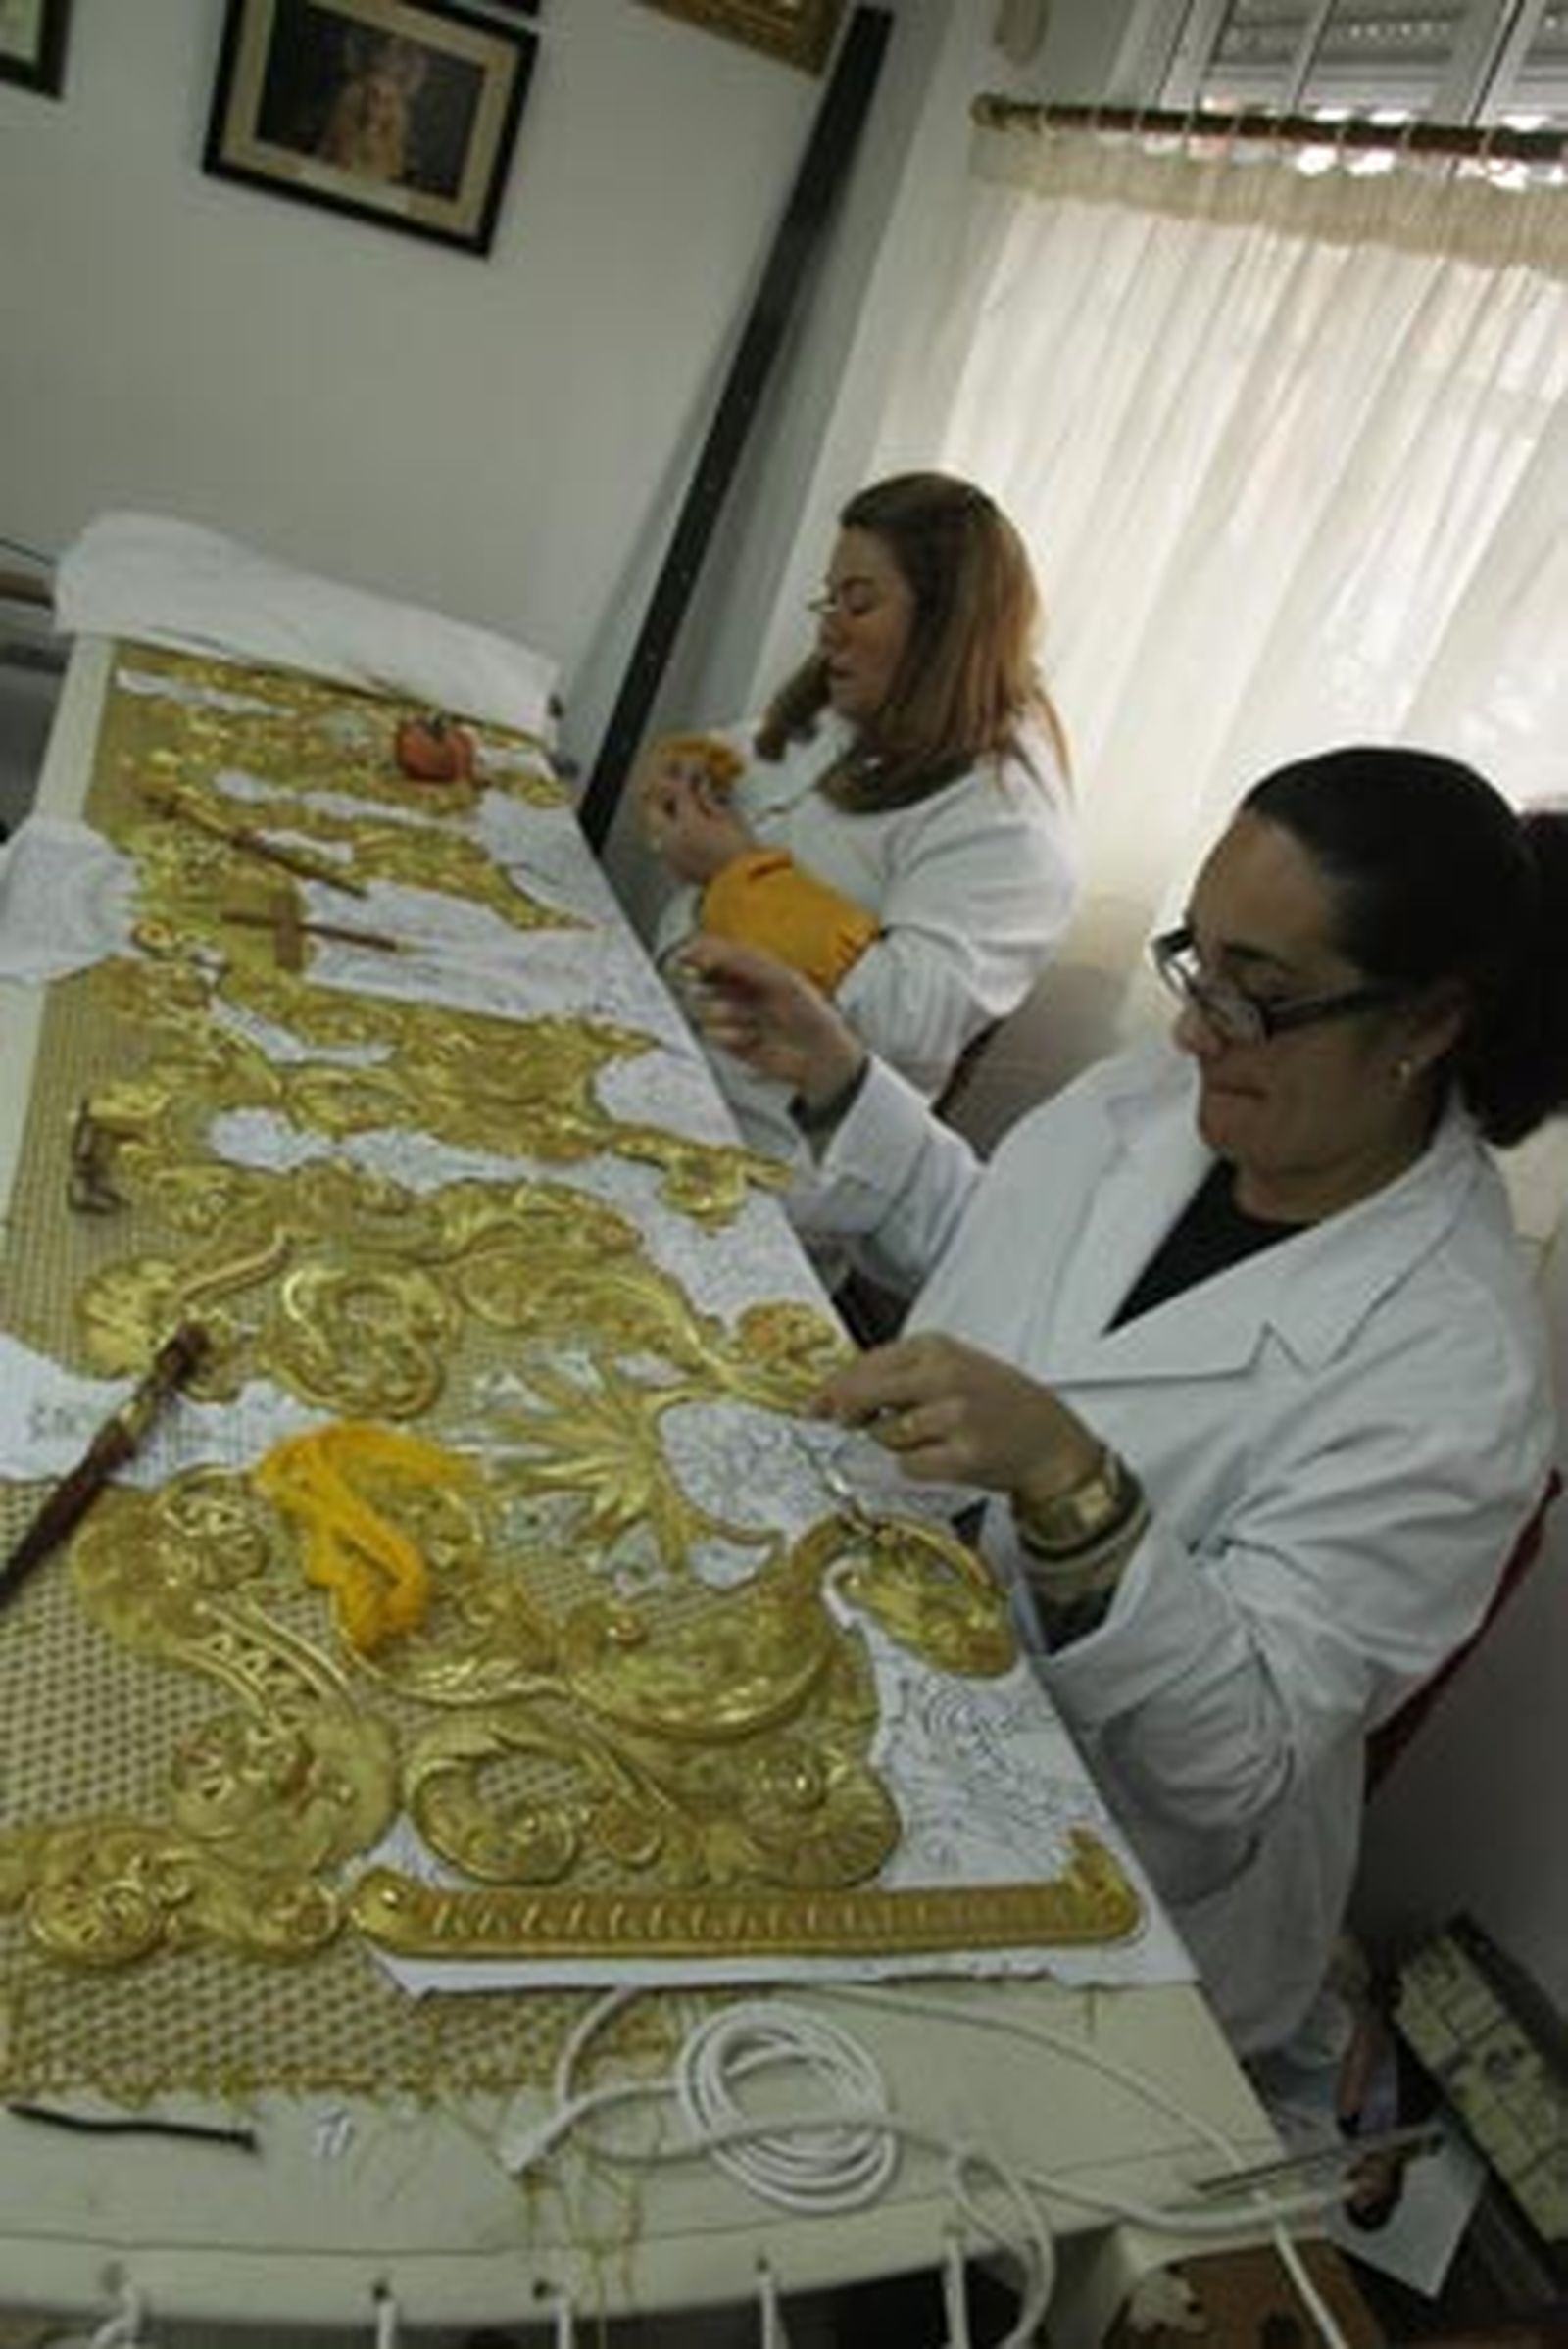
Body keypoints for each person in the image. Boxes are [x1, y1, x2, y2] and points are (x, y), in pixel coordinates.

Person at [674, 746, 1568, 2056]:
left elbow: (1233, 1760)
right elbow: (1011, 1268)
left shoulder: (1455, 1369)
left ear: (1429, 1023)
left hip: (1107, 1871)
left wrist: (1074, 1488)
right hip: (890, 1663)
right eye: (1197, 963)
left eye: (1260, 996)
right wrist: (843, 1077)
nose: (1202, 1027)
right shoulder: (1178, 1089)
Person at [636, 474, 1077, 1227]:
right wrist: (690, 767)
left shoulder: (1009, 825)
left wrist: (738, 877)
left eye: (860, 602)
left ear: (945, 622)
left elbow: (906, 1012)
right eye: (829, 598)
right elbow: (754, 754)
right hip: (671, 1057)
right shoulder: (863, 702)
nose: (830, 628)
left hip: (766, 1157)